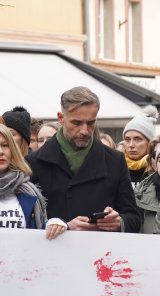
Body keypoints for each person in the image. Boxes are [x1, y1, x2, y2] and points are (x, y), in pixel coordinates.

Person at [27, 87, 141, 233]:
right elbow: (26, 222)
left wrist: (119, 222)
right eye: (76, 123)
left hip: (101, 253)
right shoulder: (34, 162)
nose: (85, 131)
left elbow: (134, 218)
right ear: (61, 118)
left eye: (91, 123)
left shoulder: (115, 160)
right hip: (53, 253)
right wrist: (64, 226)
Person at [0, 125, 67, 238]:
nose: (1, 151)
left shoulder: (29, 191)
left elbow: (40, 231)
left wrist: (57, 224)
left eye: (5, 145)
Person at [122, 112, 158, 190]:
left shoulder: (158, 169)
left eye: (137, 139)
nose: (131, 145)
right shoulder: (116, 167)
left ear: (149, 142)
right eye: (127, 140)